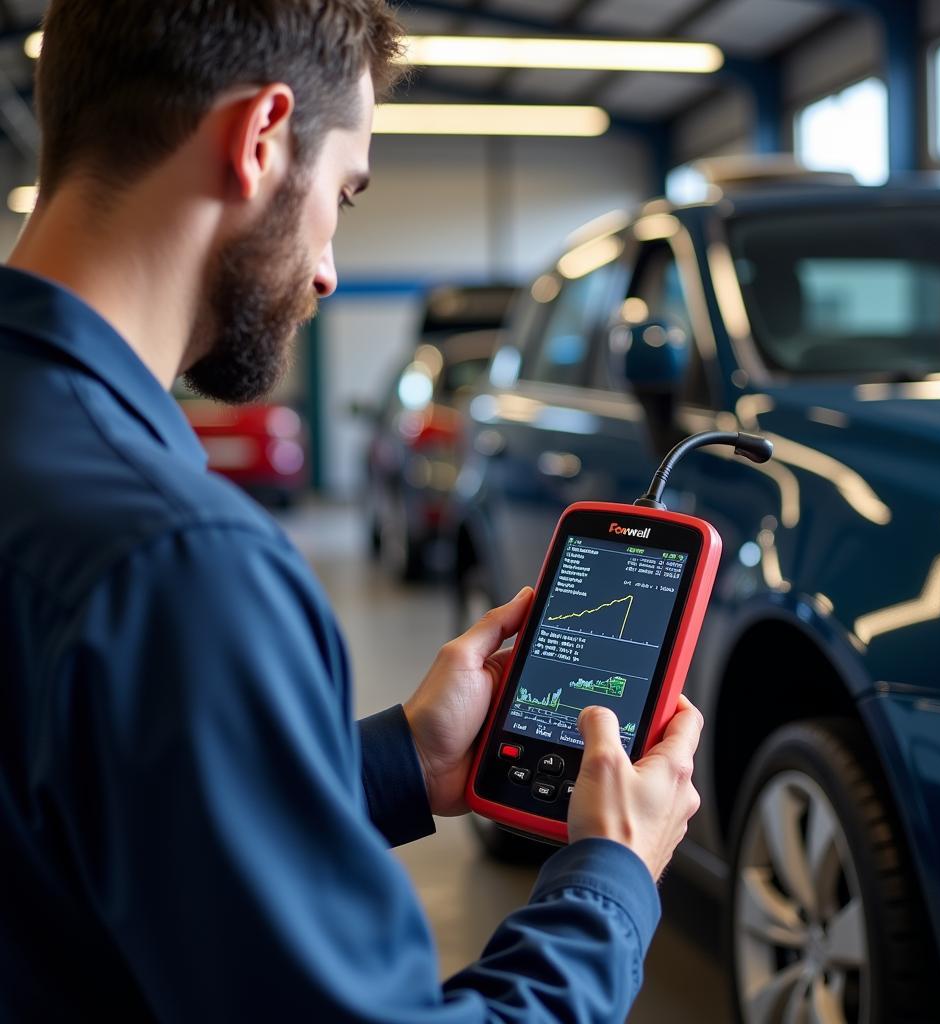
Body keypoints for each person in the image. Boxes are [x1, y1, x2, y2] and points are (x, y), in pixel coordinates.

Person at [0, 2, 705, 1020]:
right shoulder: (177, 566)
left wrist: (395, 765)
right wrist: (611, 880)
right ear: (259, 139)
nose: (328, 268)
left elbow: (82, 830)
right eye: (343, 193)